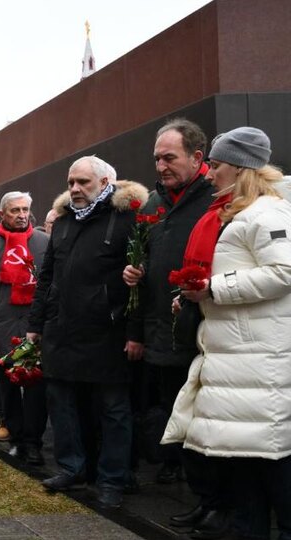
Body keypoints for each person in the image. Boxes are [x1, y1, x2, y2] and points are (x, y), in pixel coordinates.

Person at [163, 127, 291, 540]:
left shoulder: (266, 213)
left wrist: (214, 289)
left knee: (270, 472)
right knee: (247, 473)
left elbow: (284, 271)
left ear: (240, 167)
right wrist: (197, 296)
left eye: (216, 165)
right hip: (239, 359)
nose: (209, 173)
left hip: (258, 361)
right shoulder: (241, 211)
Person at [27, 155, 148, 509]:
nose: (75, 189)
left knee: (113, 409)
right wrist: (36, 325)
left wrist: (134, 331)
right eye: (71, 183)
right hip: (62, 331)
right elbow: (46, 277)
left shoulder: (128, 219)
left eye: (83, 182)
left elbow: (141, 281)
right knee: (61, 405)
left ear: (106, 182)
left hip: (107, 332)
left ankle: (112, 478)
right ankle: (71, 468)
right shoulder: (63, 223)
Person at [121, 119, 218, 496]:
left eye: (169, 158)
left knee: (208, 421)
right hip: (162, 333)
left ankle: (216, 502)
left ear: (197, 157)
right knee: (173, 411)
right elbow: (143, 264)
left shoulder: (218, 198)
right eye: (156, 159)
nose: (160, 166)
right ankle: (191, 488)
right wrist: (134, 272)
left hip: (207, 332)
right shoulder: (154, 203)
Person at [0, 191, 50, 465]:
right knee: (8, 387)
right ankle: (17, 440)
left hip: (35, 326)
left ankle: (34, 443)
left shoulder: (43, 242)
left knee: (37, 386)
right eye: (15, 210)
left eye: (25, 209)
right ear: (2, 214)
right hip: (1, 326)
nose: (22, 215)